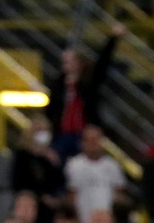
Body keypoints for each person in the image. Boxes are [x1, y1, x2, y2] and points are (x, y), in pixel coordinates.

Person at [49, 24, 123, 158]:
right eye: (64, 62)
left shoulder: (88, 83)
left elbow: (102, 64)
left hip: (83, 135)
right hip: (61, 135)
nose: (65, 65)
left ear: (79, 63)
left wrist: (113, 38)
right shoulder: (58, 85)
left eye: (69, 61)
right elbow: (51, 109)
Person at [65, 124, 127, 221]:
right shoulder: (74, 165)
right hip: (83, 220)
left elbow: (119, 194)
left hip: (107, 220)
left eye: (95, 139)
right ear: (83, 142)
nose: (92, 144)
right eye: (89, 140)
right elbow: (71, 196)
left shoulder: (113, 165)